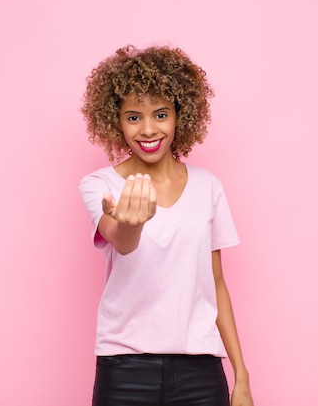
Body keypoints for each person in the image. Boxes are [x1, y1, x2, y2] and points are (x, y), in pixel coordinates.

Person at [79, 45, 254, 406]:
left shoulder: (208, 186)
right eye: (133, 117)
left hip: (200, 372)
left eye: (160, 114)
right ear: (116, 120)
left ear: (180, 116)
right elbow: (121, 240)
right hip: (124, 369)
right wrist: (130, 223)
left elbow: (216, 284)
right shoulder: (100, 185)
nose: (147, 129)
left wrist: (241, 376)